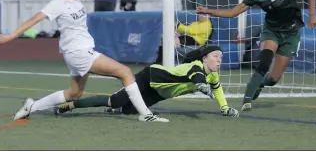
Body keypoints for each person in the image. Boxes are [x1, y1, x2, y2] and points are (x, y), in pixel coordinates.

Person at [0, 0, 168, 123]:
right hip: (79, 53)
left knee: (74, 94)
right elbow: (34, 19)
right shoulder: (58, 3)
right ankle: (146, 115)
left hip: (78, 52)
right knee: (125, 72)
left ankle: (32, 106)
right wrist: (12, 36)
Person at [196, 0, 316, 112]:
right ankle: (247, 100)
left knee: (273, 79)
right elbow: (233, 12)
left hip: (291, 34)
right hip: (271, 31)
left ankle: (260, 84)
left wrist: (312, 15)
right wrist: (209, 11)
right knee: (264, 62)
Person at [54, 45, 239, 118]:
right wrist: (203, 87)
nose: (219, 60)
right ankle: (70, 105)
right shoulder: (196, 67)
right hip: (149, 77)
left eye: (221, 57)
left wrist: (224, 107)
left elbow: (217, 89)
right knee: (115, 101)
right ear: (205, 58)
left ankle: (118, 106)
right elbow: (198, 78)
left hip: (158, 93)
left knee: (128, 111)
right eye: (216, 56)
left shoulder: (213, 75)